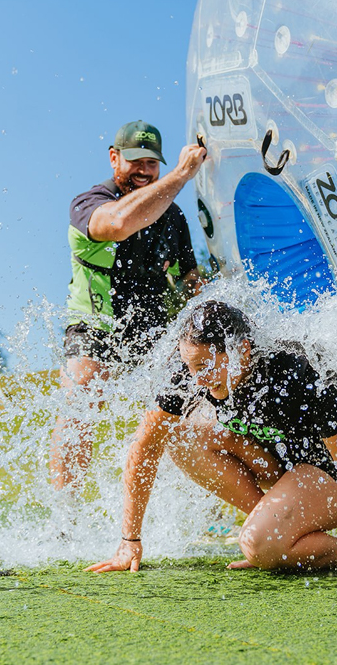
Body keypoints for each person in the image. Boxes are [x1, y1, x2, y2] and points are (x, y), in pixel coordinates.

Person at [87, 300, 337, 585]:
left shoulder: (297, 374)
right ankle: (272, 532)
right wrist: (129, 541)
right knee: (181, 439)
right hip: (284, 462)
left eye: (206, 367)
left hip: (333, 475)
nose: (197, 381)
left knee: (258, 544)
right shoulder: (189, 369)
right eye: (191, 367)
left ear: (242, 350)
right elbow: (146, 446)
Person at [51, 120, 207, 493]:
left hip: (150, 331)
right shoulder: (89, 203)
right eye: (135, 160)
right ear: (114, 158)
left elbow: (190, 281)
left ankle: (185, 511)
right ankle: (65, 518)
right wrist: (182, 174)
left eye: (152, 163)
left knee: (192, 414)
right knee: (80, 399)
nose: (143, 170)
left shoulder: (173, 218)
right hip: (95, 322)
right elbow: (119, 224)